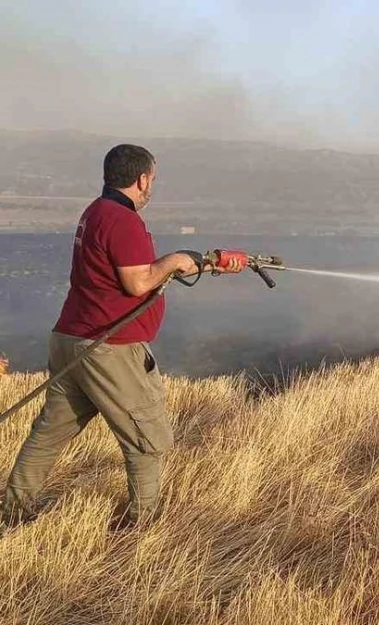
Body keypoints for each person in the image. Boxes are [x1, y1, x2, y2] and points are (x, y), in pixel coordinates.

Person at [1, 144, 243, 528]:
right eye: (152, 180)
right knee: (148, 440)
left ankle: (14, 510)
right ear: (142, 178)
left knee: (50, 431)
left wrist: (203, 262)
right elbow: (137, 282)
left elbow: (128, 272)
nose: (151, 188)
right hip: (107, 348)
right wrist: (175, 260)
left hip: (71, 338)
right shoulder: (122, 220)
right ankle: (141, 526)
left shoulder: (96, 212)